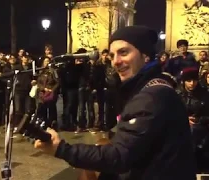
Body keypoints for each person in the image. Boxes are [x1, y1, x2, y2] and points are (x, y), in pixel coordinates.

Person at [34, 26, 196, 180]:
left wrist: (61, 148)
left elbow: (119, 156)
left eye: (123, 52)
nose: (115, 62)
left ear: (145, 55)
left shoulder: (151, 96)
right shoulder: (152, 86)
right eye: (112, 56)